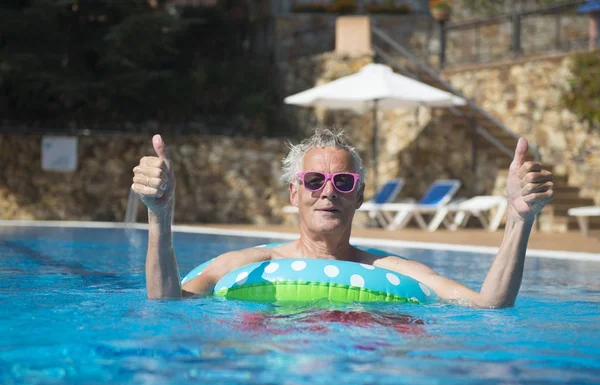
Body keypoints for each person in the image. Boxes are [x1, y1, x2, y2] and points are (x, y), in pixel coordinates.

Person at [131, 129, 554, 308]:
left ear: (360, 195)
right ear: (294, 192)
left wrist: (519, 221)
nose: (328, 190)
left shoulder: (393, 269)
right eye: (314, 180)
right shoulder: (248, 264)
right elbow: (167, 302)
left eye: (344, 181)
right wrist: (160, 217)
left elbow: (488, 306)